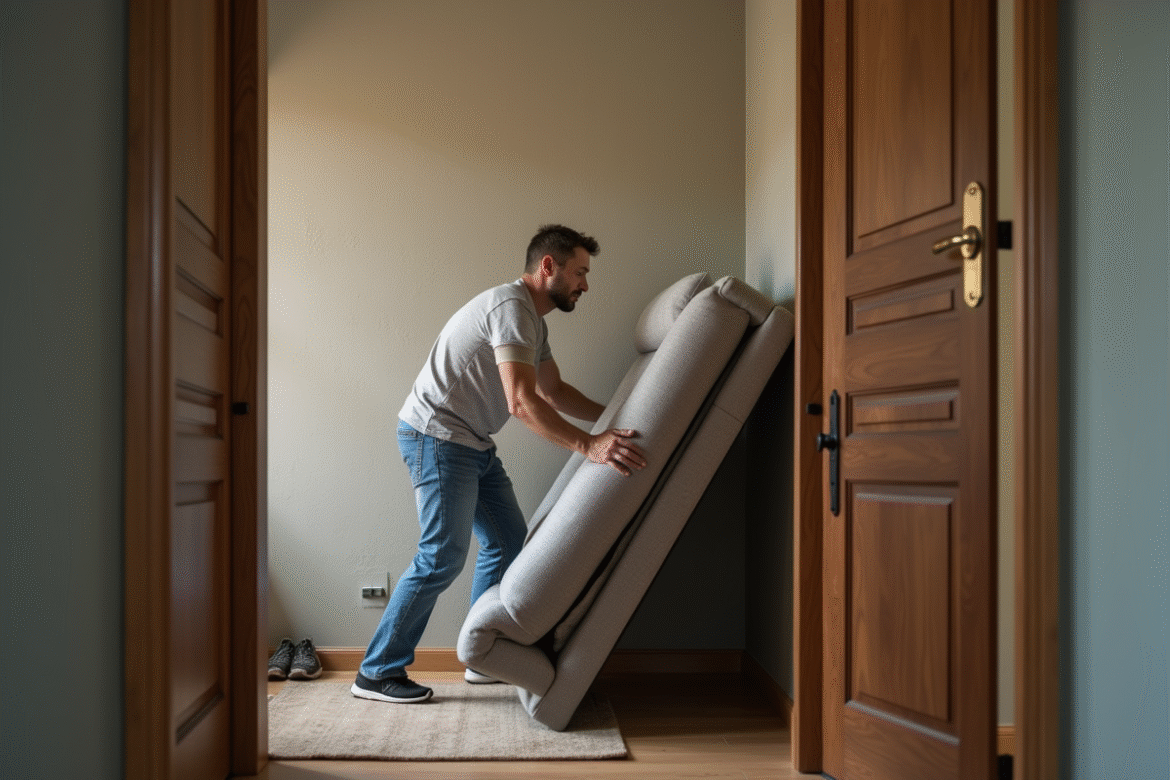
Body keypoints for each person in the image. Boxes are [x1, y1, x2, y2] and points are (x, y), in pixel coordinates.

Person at [352, 224, 648, 703]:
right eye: (579, 272)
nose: (585, 285)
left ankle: (479, 658)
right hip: (438, 437)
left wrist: (619, 417)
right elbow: (522, 402)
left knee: (509, 540)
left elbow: (552, 391)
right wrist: (590, 446)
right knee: (442, 556)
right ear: (547, 266)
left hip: (471, 443)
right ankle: (376, 672)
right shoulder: (510, 307)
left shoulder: (535, 321)